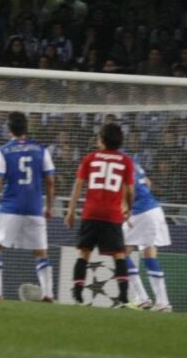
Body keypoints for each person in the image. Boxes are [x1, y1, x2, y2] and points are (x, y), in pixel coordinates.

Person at [0, 112, 56, 301]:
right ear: (26, 128)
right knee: (40, 252)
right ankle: (48, 294)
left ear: (8, 129)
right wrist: (49, 206)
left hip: (10, 208)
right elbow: (50, 180)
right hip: (34, 208)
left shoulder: (3, 151)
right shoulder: (41, 150)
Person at [64, 123, 135, 307]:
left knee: (84, 252)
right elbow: (130, 191)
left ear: (102, 140)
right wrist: (128, 209)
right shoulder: (126, 161)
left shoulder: (90, 158)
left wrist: (70, 211)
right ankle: (124, 295)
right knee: (119, 254)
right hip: (112, 215)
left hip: (91, 212)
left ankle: (78, 294)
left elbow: (78, 185)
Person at [123, 163, 172, 311]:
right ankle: (162, 302)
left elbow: (129, 191)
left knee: (119, 252)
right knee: (149, 254)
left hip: (141, 213)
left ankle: (142, 298)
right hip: (154, 210)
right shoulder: (133, 163)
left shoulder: (119, 163)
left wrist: (126, 210)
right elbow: (148, 182)